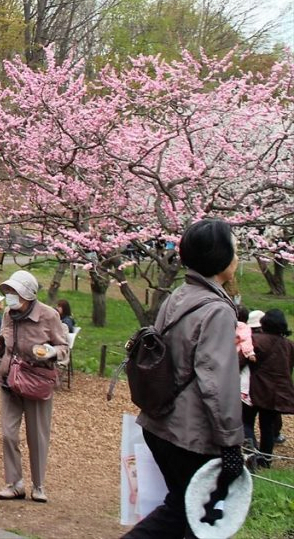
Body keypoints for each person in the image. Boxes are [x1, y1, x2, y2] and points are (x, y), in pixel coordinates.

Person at [122, 219, 244, 538]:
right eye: (234, 247)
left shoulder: (179, 295)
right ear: (220, 257)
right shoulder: (217, 310)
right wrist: (231, 442)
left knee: (181, 511)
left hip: (159, 424)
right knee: (193, 516)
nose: (238, 254)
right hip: (188, 435)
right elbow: (217, 383)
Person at [0, 270, 68, 503]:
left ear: (28, 295)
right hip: (9, 378)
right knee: (8, 434)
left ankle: (38, 485)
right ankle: (14, 483)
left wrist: (51, 352)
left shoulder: (49, 316)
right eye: (8, 291)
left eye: (14, 292)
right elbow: (2, 338)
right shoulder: (9, 315)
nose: (9, 296)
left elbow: (64, 348)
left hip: (37, 381)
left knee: (37, 436)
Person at [243, 309, 294, 468]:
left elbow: (241, 361)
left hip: (255, 389)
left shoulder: (255, 340)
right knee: (268, 427)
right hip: (278, 392)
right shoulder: (289, 345)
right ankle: (265, 461)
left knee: (247, 422)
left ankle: (251, 457)